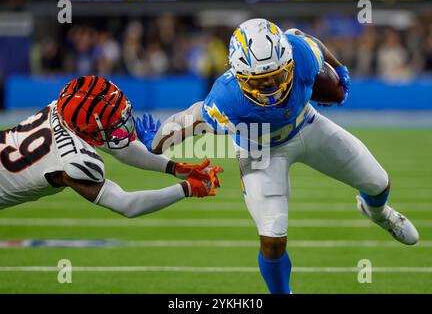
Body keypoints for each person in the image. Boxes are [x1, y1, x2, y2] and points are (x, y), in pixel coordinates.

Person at [136, 19, 419, 294]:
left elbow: (315, 46)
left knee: (379, 183)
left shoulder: (300, 53)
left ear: (288, 62)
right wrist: (157, 140)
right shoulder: (225, 98)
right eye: (261, 81)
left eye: (277, 76)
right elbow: (192, 118)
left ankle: (379, 214)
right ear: (239, 75)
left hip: (306, 125)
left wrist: (339, 69)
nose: (271, 87)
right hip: (259, 150)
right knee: (272, 237)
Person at [0, 75, 222, 217]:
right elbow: (127, 205)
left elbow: (121, 148)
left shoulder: (64, 108)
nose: (120, 126)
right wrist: (187, 189)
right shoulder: (74, 161)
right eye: (111, 124)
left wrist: (176, 168)